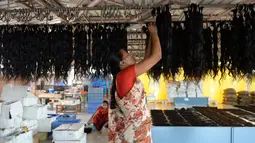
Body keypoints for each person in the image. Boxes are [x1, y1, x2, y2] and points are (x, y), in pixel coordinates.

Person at [108, 23, 161, 143]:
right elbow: (157, 56)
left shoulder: (123, 76)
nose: (131, 55)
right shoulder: (125, 75)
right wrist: (154, 33)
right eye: (127, 55)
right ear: (122, 63)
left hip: (134, 134)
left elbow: (146, 61)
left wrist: (150, 38)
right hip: (134, 137)